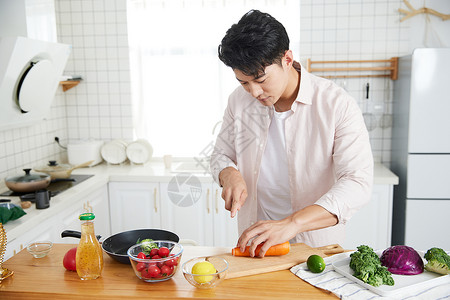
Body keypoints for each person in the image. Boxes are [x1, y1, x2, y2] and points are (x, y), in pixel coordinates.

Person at [210, 10, 373, 257]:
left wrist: (292, 223)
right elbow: (221, 153)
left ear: (287, 59)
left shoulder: (336, 104)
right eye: (243, 82)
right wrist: (228, 172)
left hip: (316, 246)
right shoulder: (239, 101)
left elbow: (357, 183)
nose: (253, 92)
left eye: (260, 79)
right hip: (257, 243)